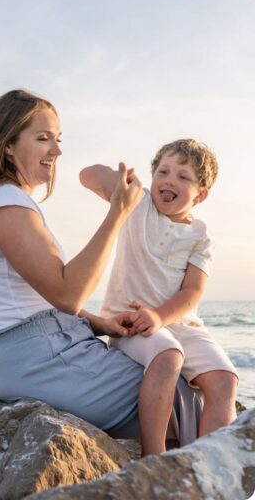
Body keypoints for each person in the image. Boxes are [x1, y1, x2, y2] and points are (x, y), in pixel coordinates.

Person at [0, 90, 203, 449]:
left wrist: (100, 323)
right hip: (39, 361)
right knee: (185, 398)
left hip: (38, 352)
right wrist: (117, 213)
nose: (56, 151)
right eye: (43, 138)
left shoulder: (4, 201)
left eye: (58, 139)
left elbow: (35, 299)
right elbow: (67, 294)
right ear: (7, 144)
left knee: (175, 385)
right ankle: (159, 469)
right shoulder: (6, 205)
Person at [80, 139, 237, 454]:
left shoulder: (201, 236)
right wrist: (118, 178)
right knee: (168, 356)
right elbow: (87, 175)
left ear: (200, 195)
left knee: (225, 380)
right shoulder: (138, 204)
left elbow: (192, 291)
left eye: (183, 176)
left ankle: (211, 463)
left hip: (179, 322)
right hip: (129, 323)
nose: (169, 180)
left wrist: (160, 317)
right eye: (163, 172)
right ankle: (155, 456)